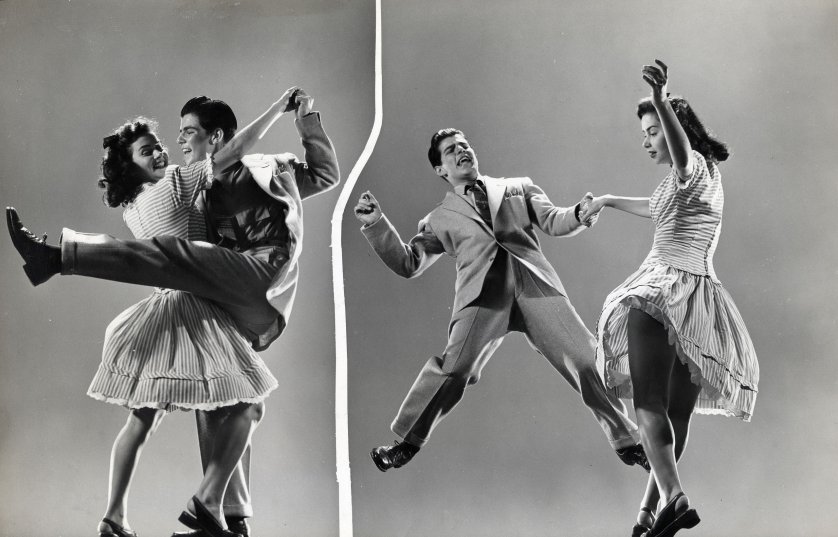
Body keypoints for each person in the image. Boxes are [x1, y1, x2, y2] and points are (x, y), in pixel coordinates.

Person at [7, 88, 340, 537]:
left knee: (175, 256)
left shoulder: (264, 167)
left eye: (187, 133)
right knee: (218, 402)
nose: (178, 144)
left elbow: (324, 173)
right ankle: (226, 515)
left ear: (215, 136)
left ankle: (60, 257)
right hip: (222, 297)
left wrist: (304, 119)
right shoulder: (194, 189)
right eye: (175, 136)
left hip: (262, 276)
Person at [353, 128, 648, 473]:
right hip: (482, 297)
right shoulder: (439, 219)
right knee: (455, 369)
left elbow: (554, 220)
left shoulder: (516, 188)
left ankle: (629, 442)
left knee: (586, 360)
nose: (462, 151)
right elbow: (409, 262)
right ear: (441, 170)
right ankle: (405, 443)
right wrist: (376, 224)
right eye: (451, 150)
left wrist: (582, 212)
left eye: (464, 145)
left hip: (534, 286)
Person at [580, 60, 759, 537]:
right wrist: (609, 200)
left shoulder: (691, 165)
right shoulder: (706, 178)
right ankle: (649, 514)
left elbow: (681, 155)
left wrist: (661, 99)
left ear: (674, 128)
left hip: (660, 292)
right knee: (674, 417)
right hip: (699, 305)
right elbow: (654, 208)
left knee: (647, 405)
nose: (647, 141)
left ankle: (675, 500)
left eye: (652, 131)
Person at [88, 110, 287, 537]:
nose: (161, 153)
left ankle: (113, 517)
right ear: (131, 166)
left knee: (142, 419)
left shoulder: (133, 209)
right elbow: (232, 150)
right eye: (148, 151)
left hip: (159, 310)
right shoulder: (174, 187)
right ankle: (208, 501)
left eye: (158, 146)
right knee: (250, 404)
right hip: (194, 308)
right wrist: (276, 110)